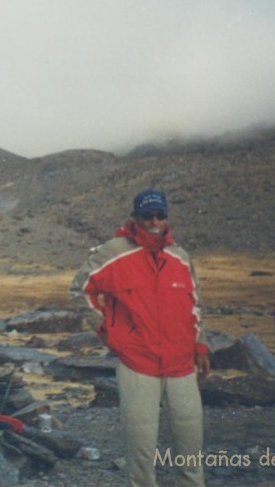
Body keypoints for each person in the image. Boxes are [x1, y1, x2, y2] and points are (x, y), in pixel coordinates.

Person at [70, 190, 209, 487]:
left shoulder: (180, 258)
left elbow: (194, 304)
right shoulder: (114, 251)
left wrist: (200, 345)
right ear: (135, 218)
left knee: (190, 447)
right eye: (148, 216)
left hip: (182, 364)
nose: (155, 221)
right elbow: (80, 290)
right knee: (142, 452)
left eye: (160, 215)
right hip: (138, 363)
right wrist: (109, 333)